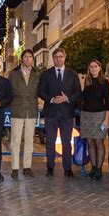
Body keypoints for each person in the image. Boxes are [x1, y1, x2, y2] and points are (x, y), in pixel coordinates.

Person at [38, 47, 81, 177]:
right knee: (50, 141)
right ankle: (50, 167)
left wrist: (67, 98)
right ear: (53, 59)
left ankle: (67, 168)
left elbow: (78, 92)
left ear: (64, 58)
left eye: (61, 56)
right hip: (51, 112)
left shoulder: (73, 74)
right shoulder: (46, 74)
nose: (58, 59)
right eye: (56, 56)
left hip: (67, 113)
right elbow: (40, 91)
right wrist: (51, 99)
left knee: (66, 143)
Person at [8, 49, 40, 179]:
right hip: (17, 109)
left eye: (30, 57)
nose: (28, 59)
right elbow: (8, 91)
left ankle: (27, 167)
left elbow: (40, 90)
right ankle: (14, 167)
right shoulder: (14, 73)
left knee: (29, 140)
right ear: (22, 59)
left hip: (31, 110)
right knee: (15, 140)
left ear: (33, 59)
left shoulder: (37, 73)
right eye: (25, 57)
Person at [80, 60, 109, 181]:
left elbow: (108, 102)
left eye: (95, 66)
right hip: (86, 115)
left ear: (99, 68)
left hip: (100, 115)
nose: (93, 69)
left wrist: (107, 119)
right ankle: (93, 168)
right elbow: (82, 98)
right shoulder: (87, 82)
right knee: (90, 142)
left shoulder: (105, 82)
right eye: (91, 67)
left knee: (99, 142)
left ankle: (99, 169)